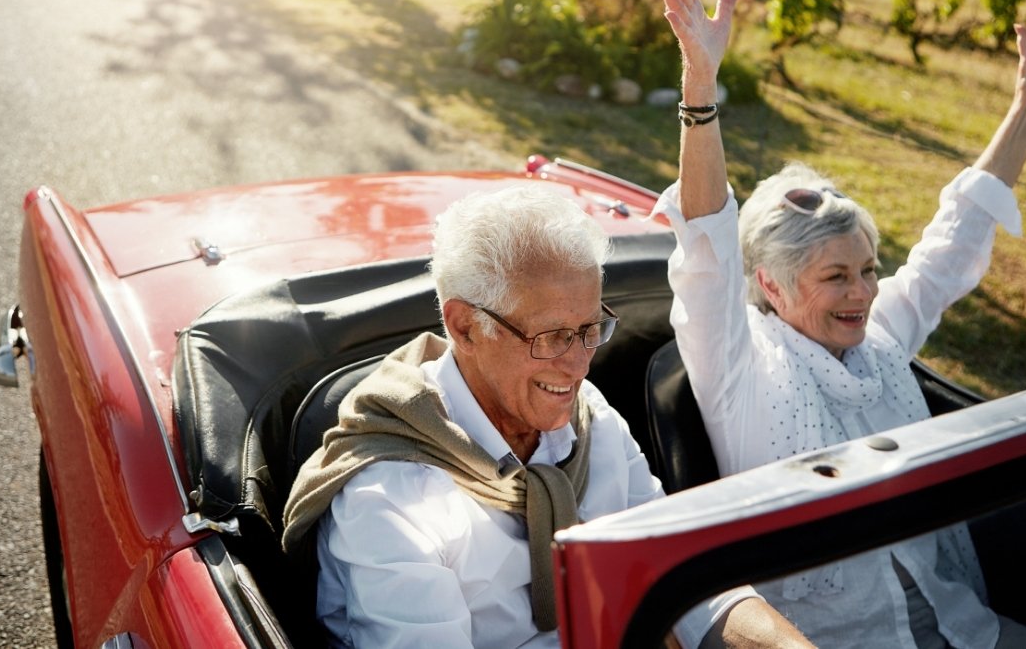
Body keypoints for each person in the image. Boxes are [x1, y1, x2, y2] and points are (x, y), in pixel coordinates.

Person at [655, 0, 1026, 647]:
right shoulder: (739, 370)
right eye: (836, 276)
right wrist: (700, 88)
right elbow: (706, 246)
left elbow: (951, 241)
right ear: (771, 286)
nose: (865, 292)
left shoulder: (876, 341)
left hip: (964, 626)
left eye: (868, 269)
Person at [281, 186, 813, 648]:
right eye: (553, 336)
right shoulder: (389, 499)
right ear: (465, 326)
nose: (580, 364)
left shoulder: (591, 419)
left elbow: (681, 572)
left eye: (589, 330)